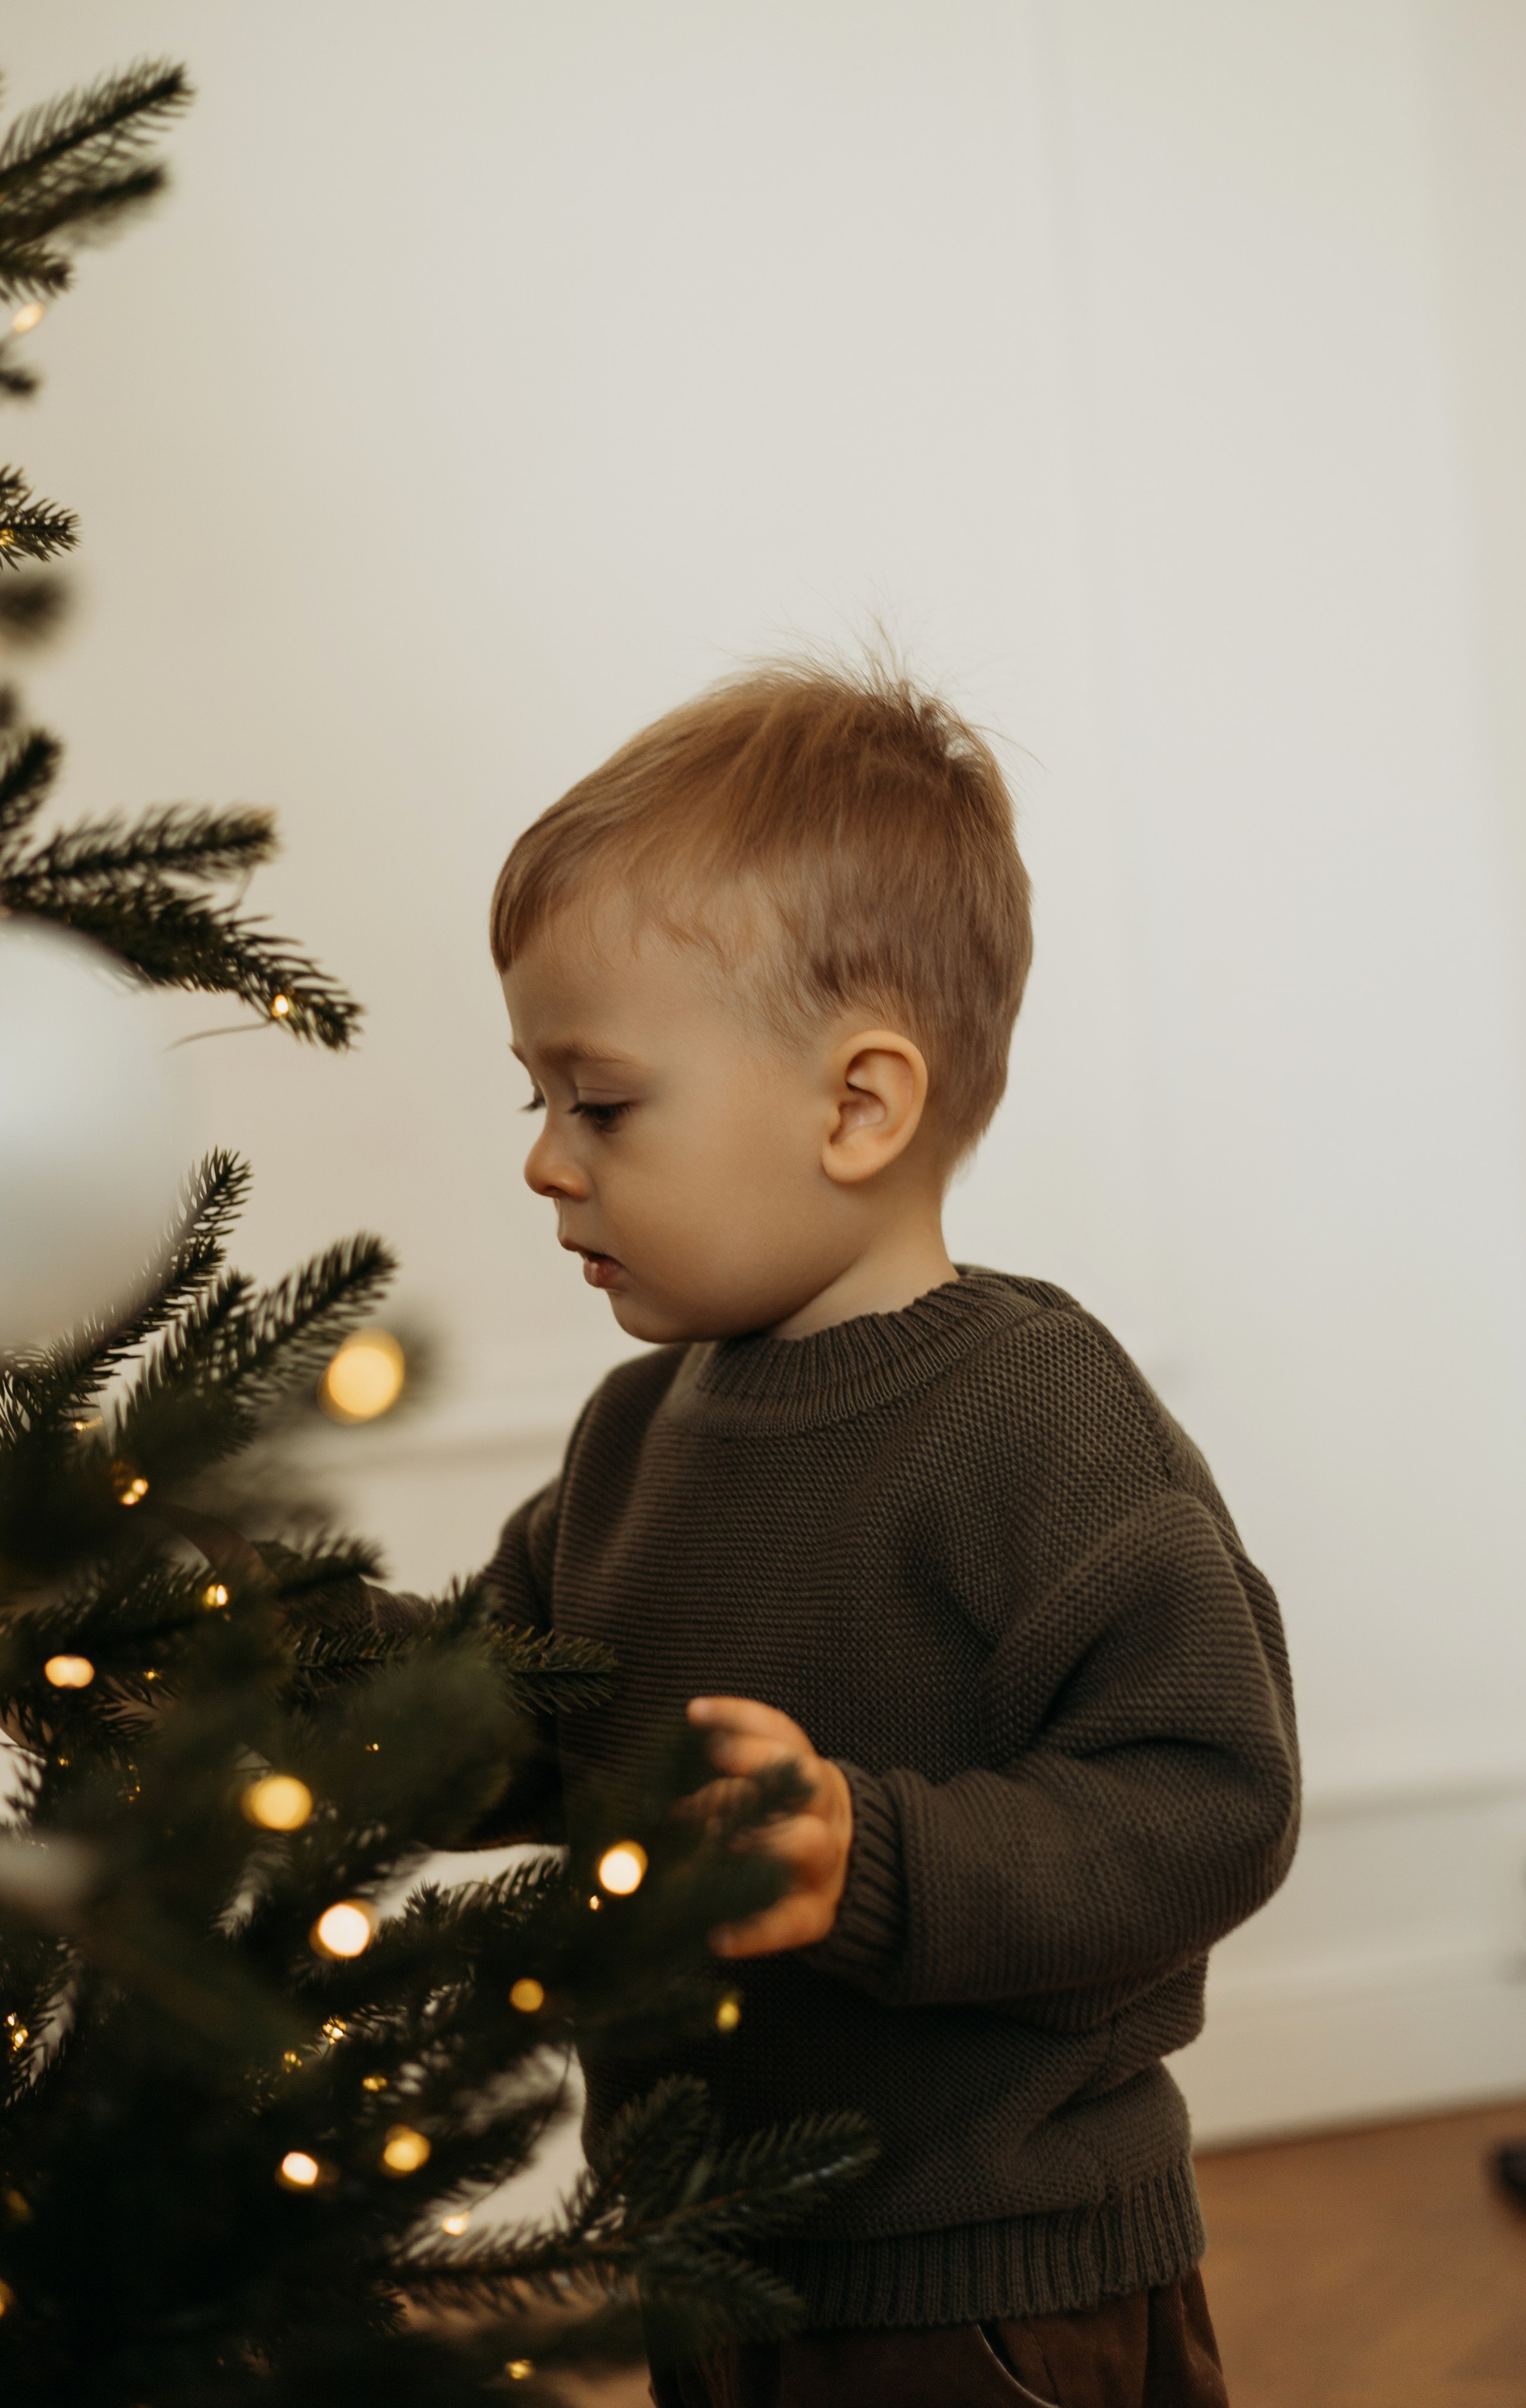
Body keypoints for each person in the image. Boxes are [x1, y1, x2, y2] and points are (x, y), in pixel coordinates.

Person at [480, 656, 1300, 2407]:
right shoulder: (635, 1436)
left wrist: (879, 1860)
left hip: (993, 2295)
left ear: (858, 1107)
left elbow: (1211, 1799)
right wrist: (257, 1679)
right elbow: (494, 1704)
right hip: (711, 2261)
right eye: (532, 1097)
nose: (547, 1159)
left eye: (599, 1101)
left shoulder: (1038, 1414)